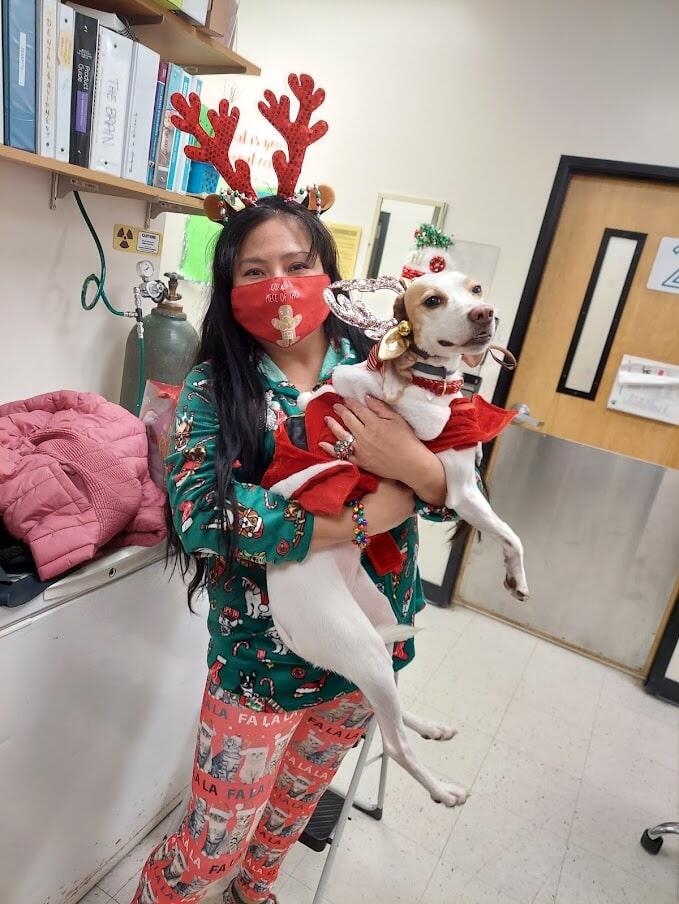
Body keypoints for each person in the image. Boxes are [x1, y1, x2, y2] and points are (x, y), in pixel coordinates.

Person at [132, 194, 456, 904]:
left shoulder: (388, 371)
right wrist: (366, 517)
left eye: (297, 263)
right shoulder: (212, 390)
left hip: (364, 659)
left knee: (283, 826)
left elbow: (452, 490)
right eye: (254, 270)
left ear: (328, 272)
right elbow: (202, 518)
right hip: (260, 669)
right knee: (206, 857)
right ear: (229, 288)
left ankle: (258, 893)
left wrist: (417, 465)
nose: (279, 284)